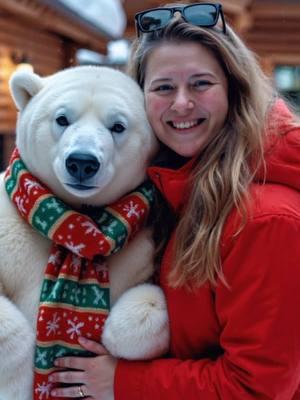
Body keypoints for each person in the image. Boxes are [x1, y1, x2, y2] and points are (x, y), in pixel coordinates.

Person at [49, 2, 300, 399]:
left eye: (200, 83)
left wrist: (121, 382)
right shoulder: (168, 186)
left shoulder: (266, 219)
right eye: (164, 87)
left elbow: (258, 388)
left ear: (233, 89)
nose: (181, 103)